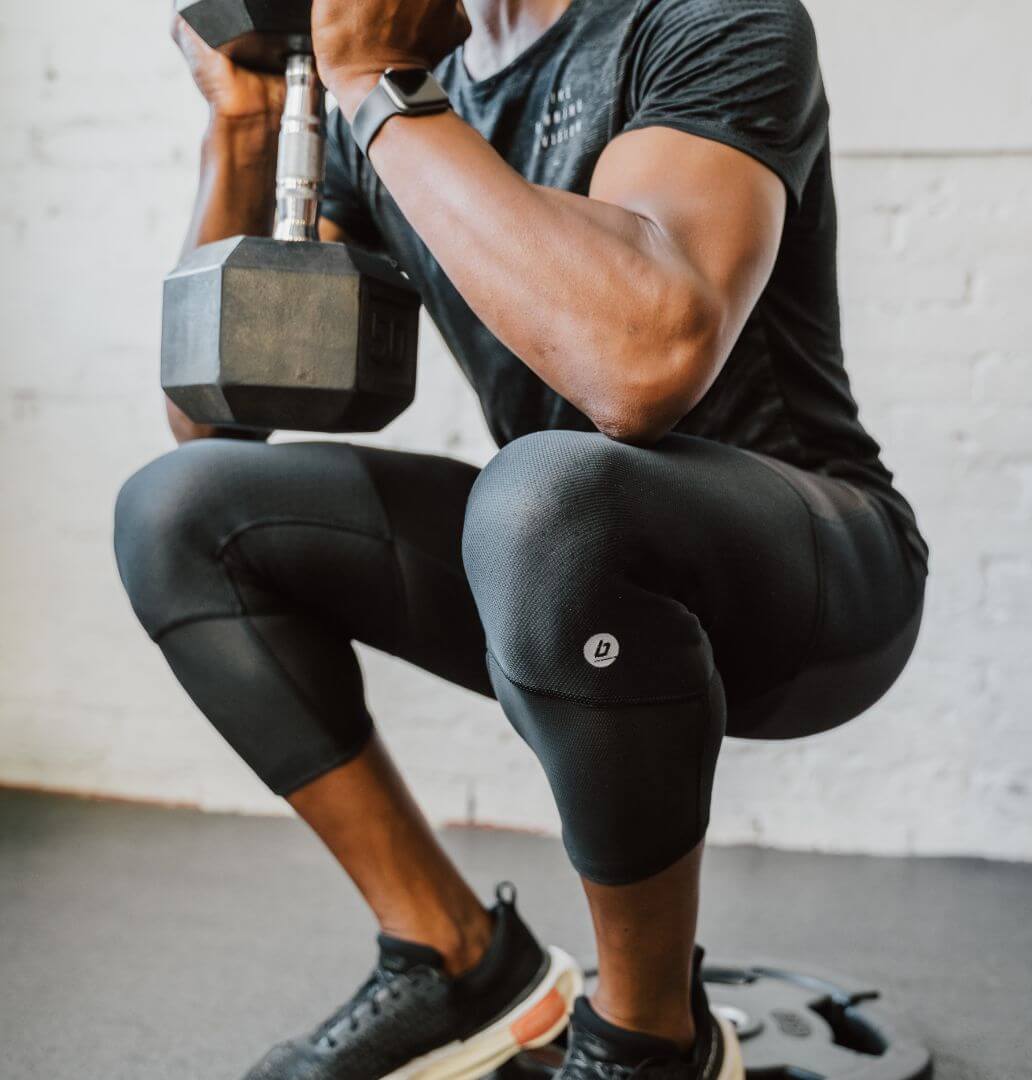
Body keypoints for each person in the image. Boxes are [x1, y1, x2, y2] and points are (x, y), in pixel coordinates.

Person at [113, 0, 929, 1078]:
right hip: (550, 574)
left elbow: (643, 363)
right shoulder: (403, 78)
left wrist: (375, 91)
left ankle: (650, 1041)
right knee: (180, 511)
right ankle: (452, 959)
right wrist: (247, 128)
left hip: (813, 584)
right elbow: (217, 417)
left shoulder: (708, 19)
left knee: (549, 498)